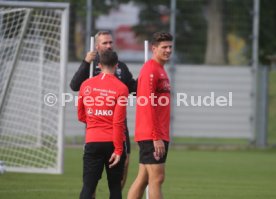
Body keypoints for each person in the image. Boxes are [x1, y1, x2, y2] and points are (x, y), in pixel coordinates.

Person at [70, 31, 136, 194]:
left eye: (110, 42)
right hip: (98, 126)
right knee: (92, 178)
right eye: (105, 43)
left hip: (119, 124)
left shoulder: (120, 66)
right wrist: (86, 62)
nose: (108, 45)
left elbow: (132, 87)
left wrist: (150, 86)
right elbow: (75, 85)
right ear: (97, 46)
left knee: (124, 164)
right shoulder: (91, 65)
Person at [127, 32, 173, 199]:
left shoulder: (160, 69)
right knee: (157, 178)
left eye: (170, 47)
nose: (168, 50)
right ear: (154, 49)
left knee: (144, 178)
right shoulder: (150, 69)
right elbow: (146, 104)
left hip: (157, 133)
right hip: (152, 135)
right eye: (164, 47)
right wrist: (156, 137)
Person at [78, 50, 128, 199]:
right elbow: (118, 122)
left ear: (99, 65)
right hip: (113, 143)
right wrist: (119, 150)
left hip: (93, 141)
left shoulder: (86, 84)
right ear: (116, 65)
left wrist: (95, 121)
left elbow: (81, 115)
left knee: (88, 186)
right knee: (114, 188)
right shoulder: (121, 88)